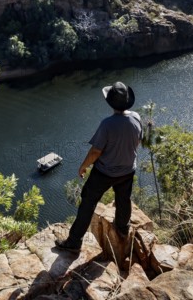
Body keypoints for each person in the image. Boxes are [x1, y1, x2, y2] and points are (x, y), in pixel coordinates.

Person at [55, 81, 142, 253]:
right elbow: (137, 141)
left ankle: (74, 241)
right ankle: (122, 228)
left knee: (88, 201)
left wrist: (83, 166)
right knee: (123, 199)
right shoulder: (136, 118)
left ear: (110, 102)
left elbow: (96, 151)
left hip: (104, 172)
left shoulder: (107, 124)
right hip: (127, 170)